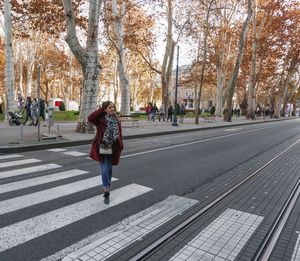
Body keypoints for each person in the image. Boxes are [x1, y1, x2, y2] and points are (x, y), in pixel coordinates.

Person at [88, 101, 123, 204]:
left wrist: (121, 144)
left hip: (113, 147)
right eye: (109, 107)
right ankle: (106, 191)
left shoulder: (116, 119)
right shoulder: (100, 119)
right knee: (104, 168)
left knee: (109, 169)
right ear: (105, 110)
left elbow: (119, 133)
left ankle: (107, 185)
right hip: (102, 146)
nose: (112, 109)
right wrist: (100, 109)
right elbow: (90, 118)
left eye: (112, 107)